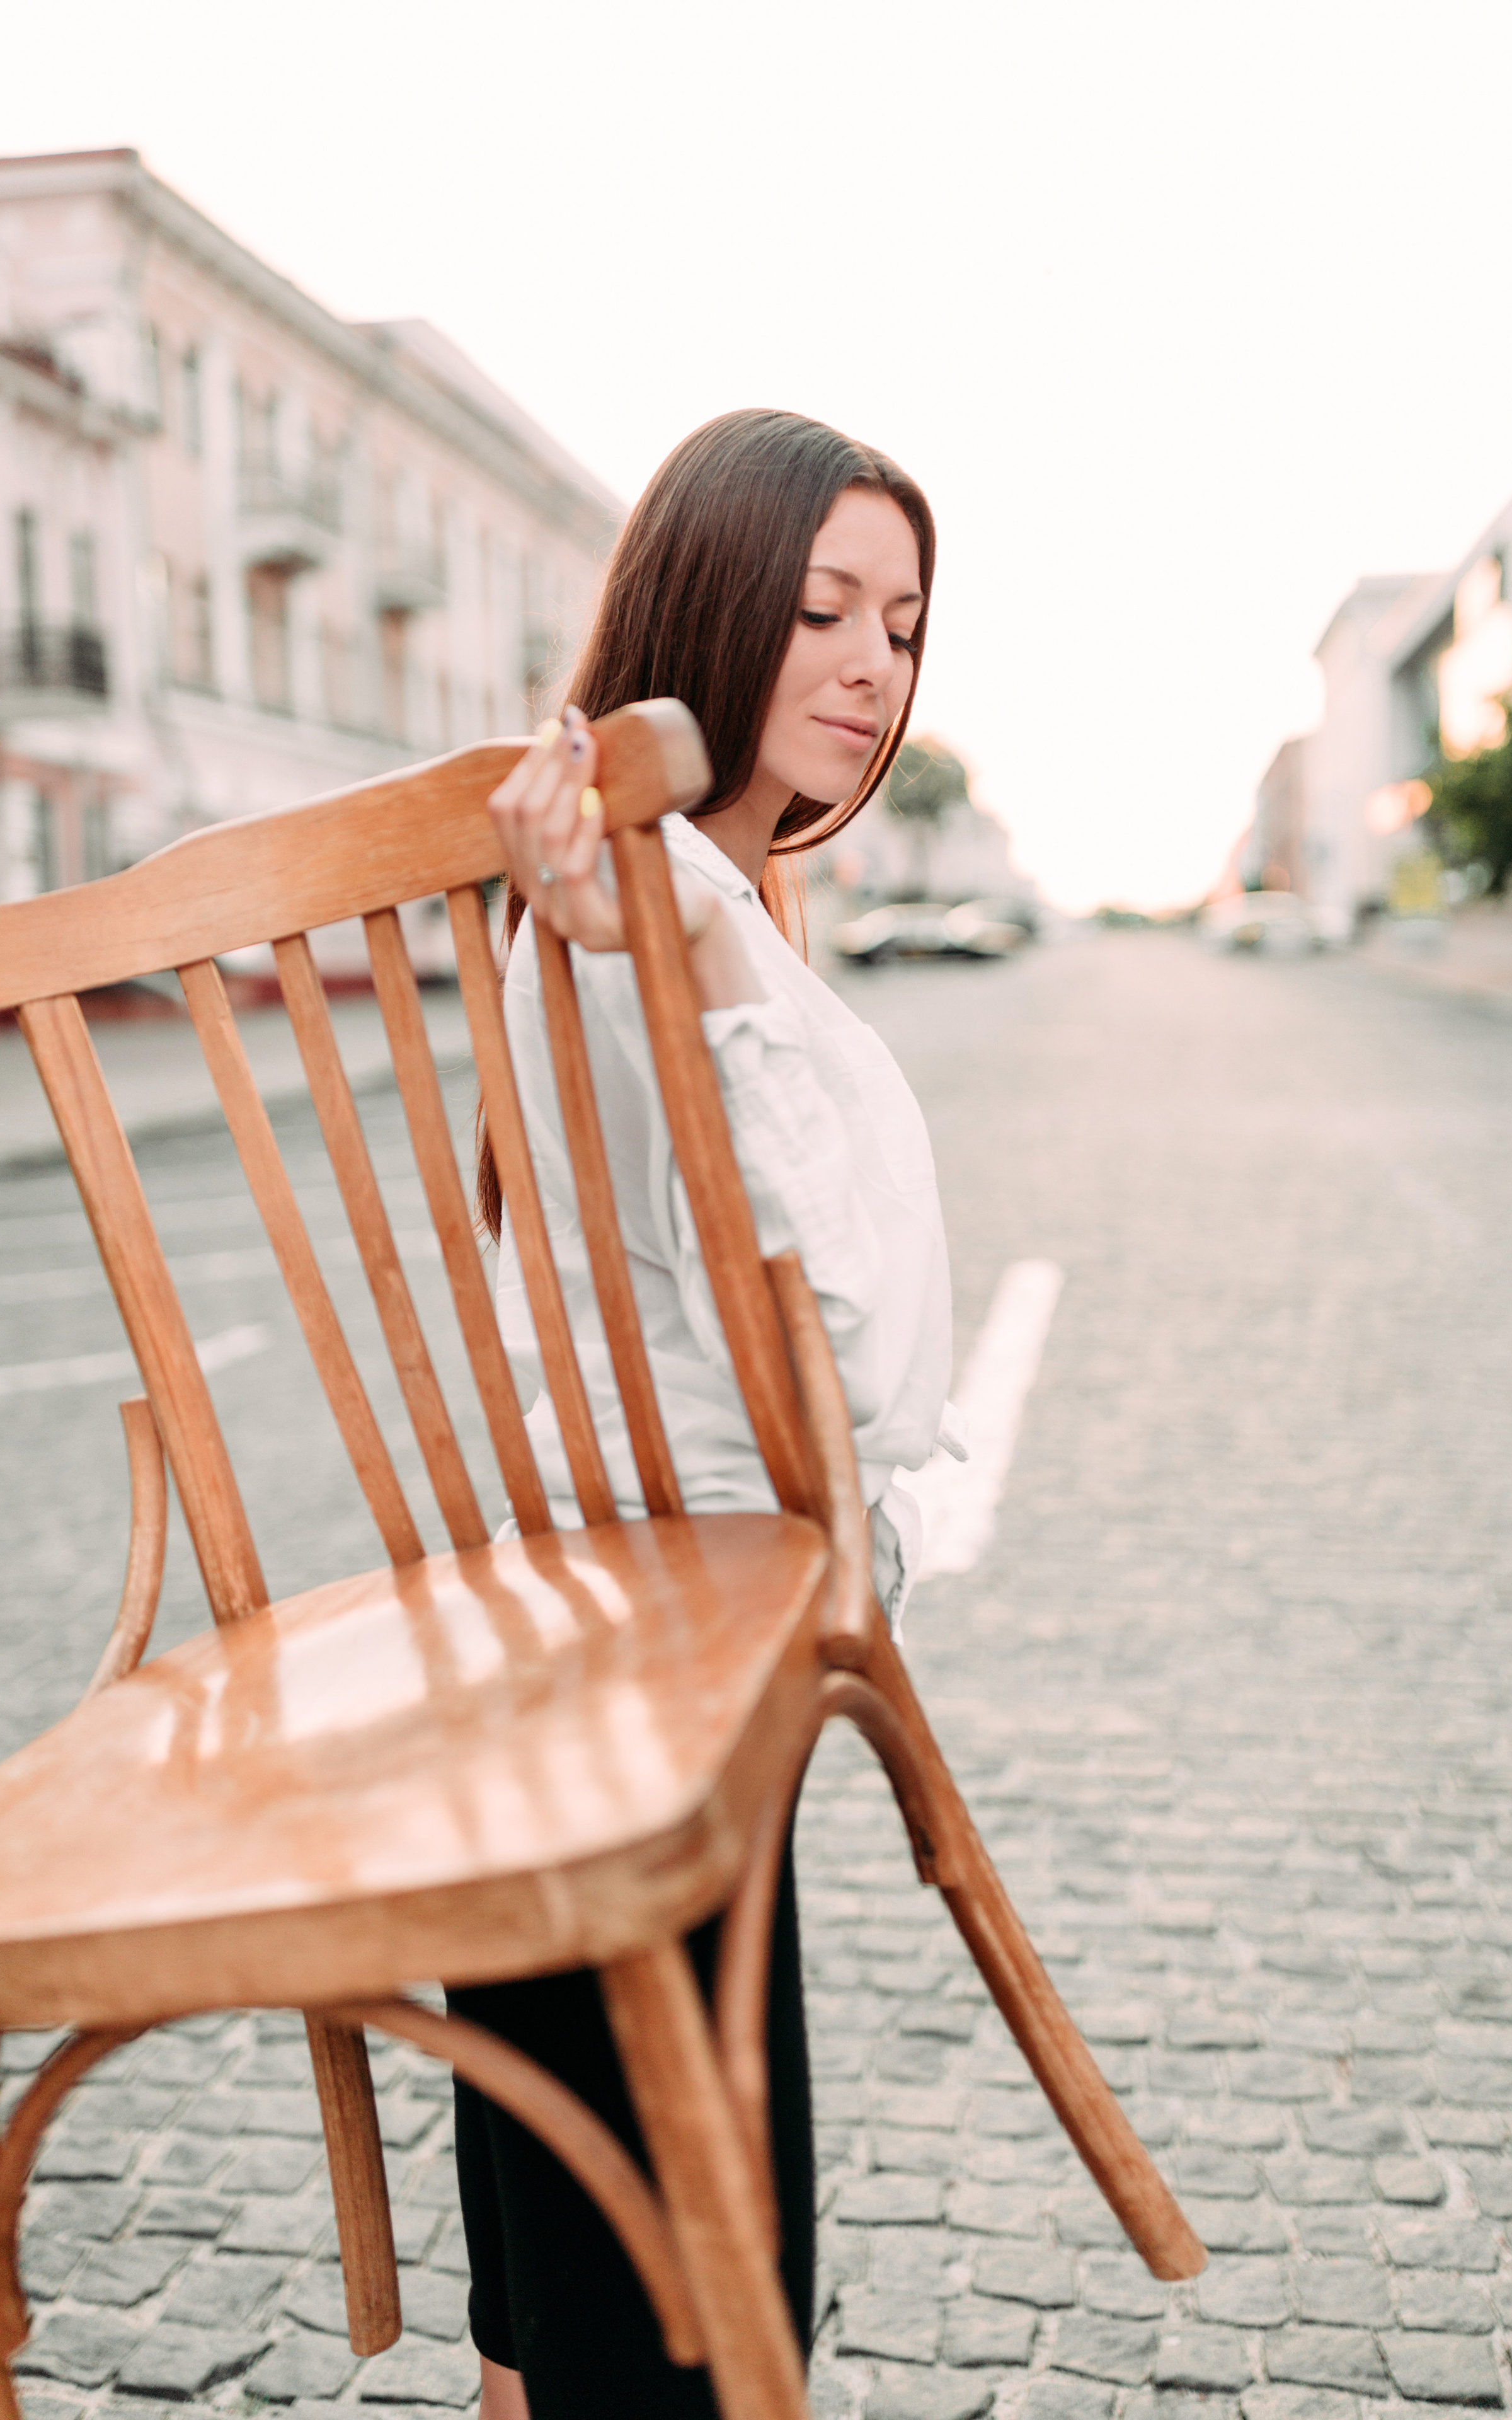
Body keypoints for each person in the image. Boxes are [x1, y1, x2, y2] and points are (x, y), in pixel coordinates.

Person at [451, 406, 961, 2420]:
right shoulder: (657, 903)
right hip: (682, 1614)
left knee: (574, 2254)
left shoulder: (673, 893)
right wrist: (712, 986)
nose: (872, 668)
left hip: (599, 1608)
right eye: (825, 607)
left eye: (906, 629)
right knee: (690, 2292)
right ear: (710, 602)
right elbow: (841, 1359)